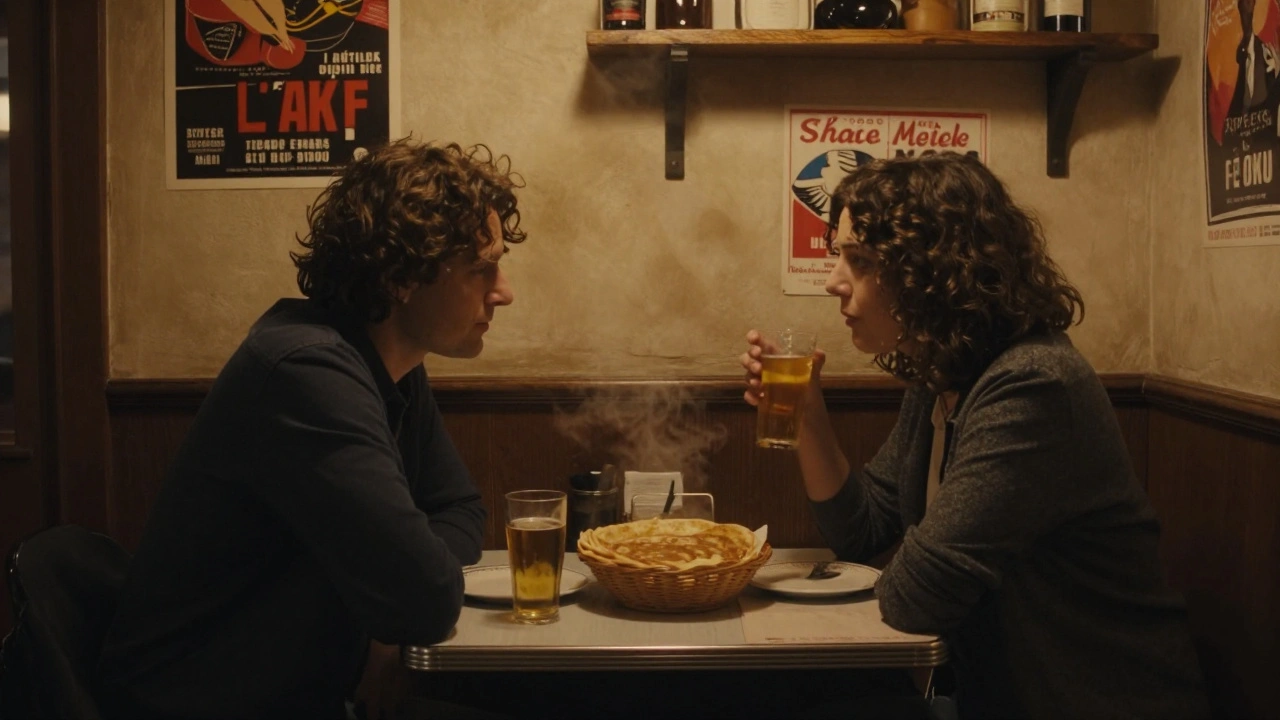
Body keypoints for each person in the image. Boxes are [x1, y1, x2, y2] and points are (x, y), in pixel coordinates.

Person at [740, 153, 1210, 719]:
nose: (834, 281)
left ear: (932, 273)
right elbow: (860, 531)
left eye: (859, 260)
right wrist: (808, 414)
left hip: (1096, 701)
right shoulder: (941, 373)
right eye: (838, 255)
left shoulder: (1032, 385)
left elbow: (915, 598)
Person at [99, 139, 525, 720]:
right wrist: (400, 605)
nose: (503, 291)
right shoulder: (305, 372)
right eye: (481, 269)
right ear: (401, 277)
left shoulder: (393, 360)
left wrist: (392, 617)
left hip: (303, 693)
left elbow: (459, 509)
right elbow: (424, 599)